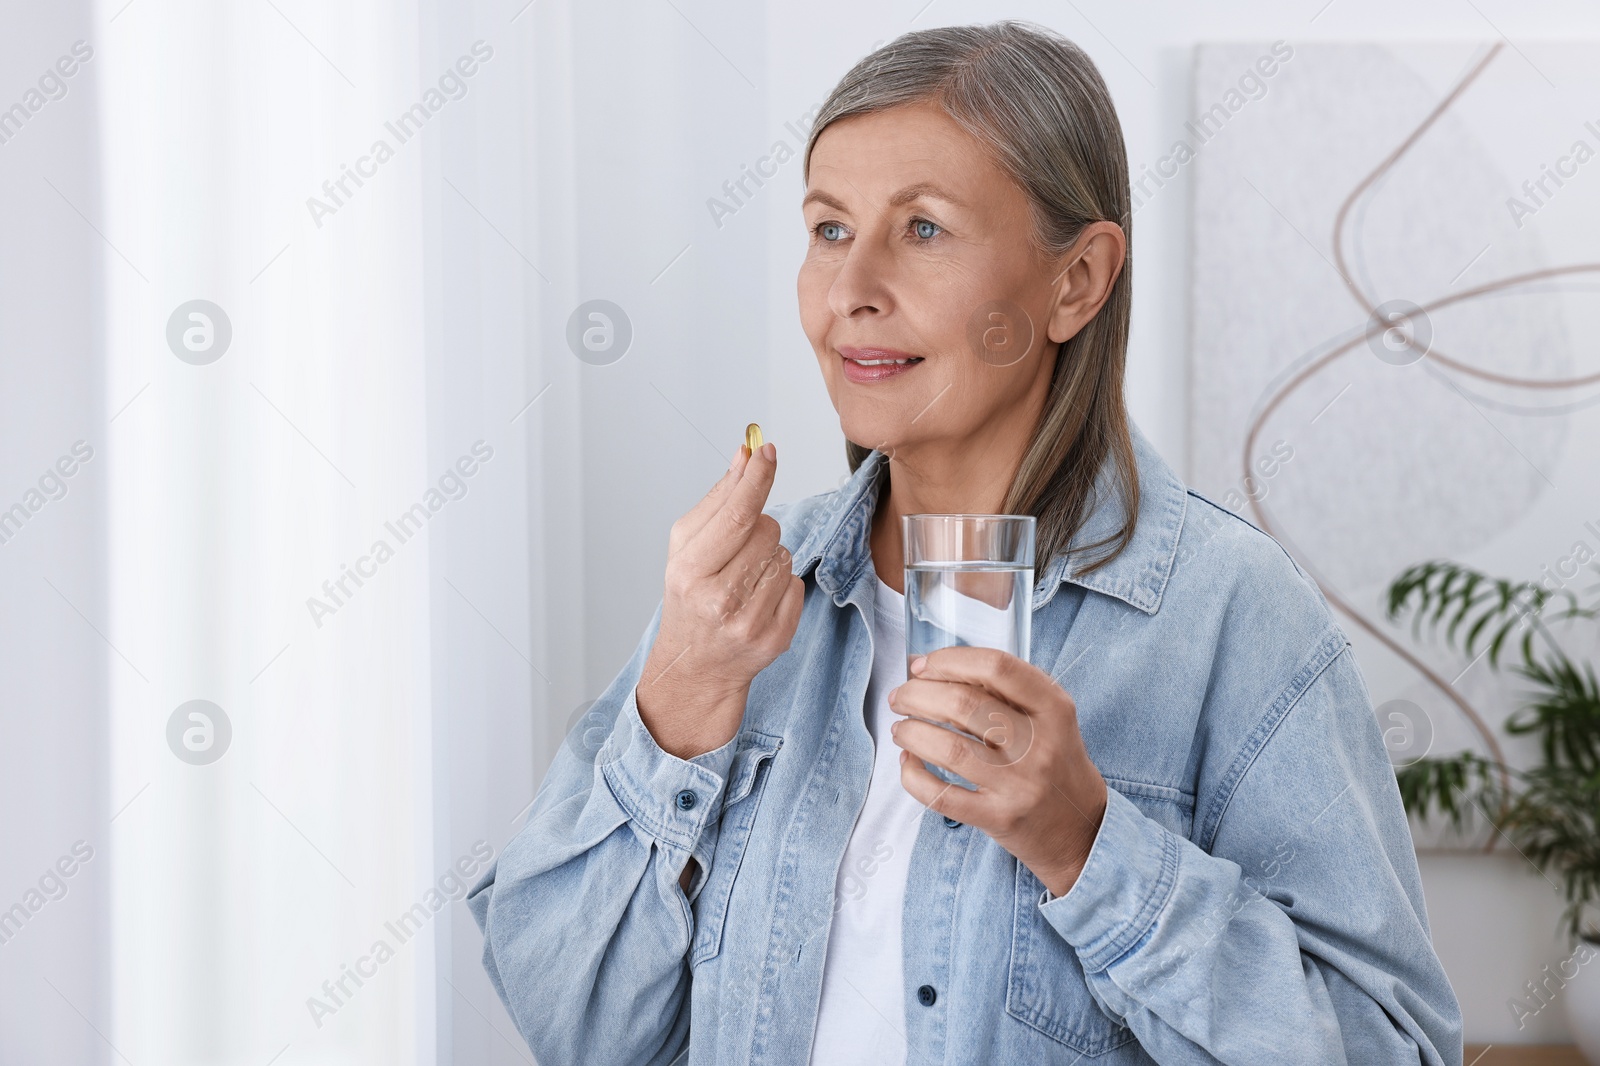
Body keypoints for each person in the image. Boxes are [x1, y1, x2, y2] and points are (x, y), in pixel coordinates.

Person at [467, 20, 1462, 1064]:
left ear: (1075, 281)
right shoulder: (742, 597)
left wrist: (1087, 847)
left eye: (925, 229)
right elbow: (571, 1022)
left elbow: (1389, 1049)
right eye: (828, 229)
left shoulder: (1229, 614)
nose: (852, 289)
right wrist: (672, 704)